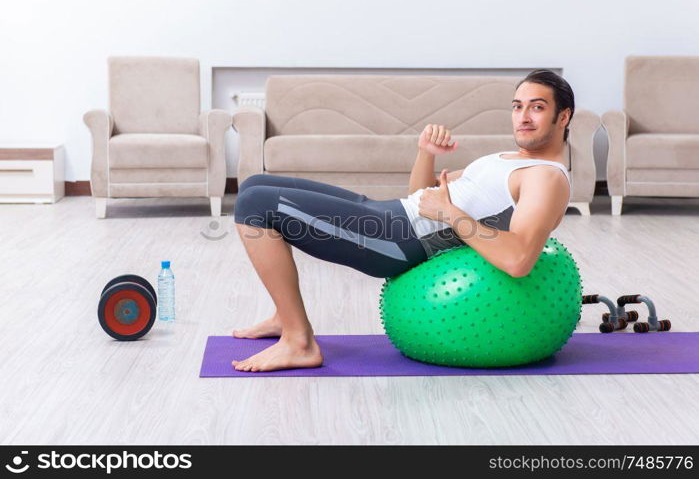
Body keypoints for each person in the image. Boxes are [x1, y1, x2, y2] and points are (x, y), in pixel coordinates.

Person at [231, 69, 573, 372]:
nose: (523, 116)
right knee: (255, 184)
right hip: (392, 213)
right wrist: (426, 152)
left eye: (537, 107)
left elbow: (518, 260)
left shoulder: (546, 177)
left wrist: (449, 213)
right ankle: (284, 316)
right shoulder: (505, 159)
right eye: (518, 106)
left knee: (255, 204)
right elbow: (423, 197)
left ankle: (299, 341)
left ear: (563, 117)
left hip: (396, 241)